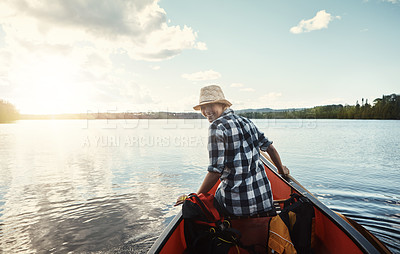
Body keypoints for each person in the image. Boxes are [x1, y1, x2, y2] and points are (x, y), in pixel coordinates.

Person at [177, 85, 289, 216]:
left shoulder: (216, 127)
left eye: (210, 105)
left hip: (237, 206)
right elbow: (270, 148)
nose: (206, 111)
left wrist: (194, 198)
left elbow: (215, 172)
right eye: (203, 107)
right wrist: (281, 170)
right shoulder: (246, 121)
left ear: (222, 105)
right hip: (264, 201)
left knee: (217, 193)